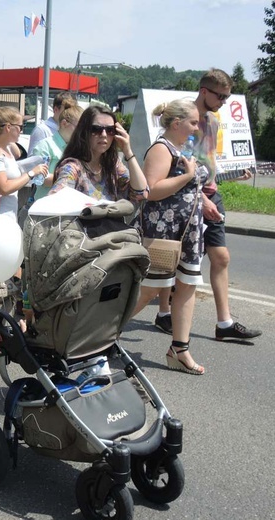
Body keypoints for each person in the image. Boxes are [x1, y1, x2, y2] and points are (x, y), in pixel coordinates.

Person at [153, 69, 261, 341]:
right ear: (204, 91)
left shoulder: (213, 120)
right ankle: (164, 313)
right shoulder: (186, 120)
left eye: (227, 96)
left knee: (221, 257)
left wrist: (231, 175)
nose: (224, 101)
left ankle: (224, 323)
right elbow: (180, 169)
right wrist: (200, 199)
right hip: (189, 197)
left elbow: (208, 160)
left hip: (211, 192)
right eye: (220, 96)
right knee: (174, 259)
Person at [130, 99, 208, 375]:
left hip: (186, 232)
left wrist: (203, 200)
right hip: (163, 232)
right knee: (150, 288)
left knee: (187, 286)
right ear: (177, 123)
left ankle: (180, 348)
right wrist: (187, 176)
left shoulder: (179, 148)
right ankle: (103, 332)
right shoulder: (161, 149)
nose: (197, 128)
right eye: (193, 122)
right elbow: (151, 190)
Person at [50, 105, 149, 203]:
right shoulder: (73, 167)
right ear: (84, 132)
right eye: (96, 129)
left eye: (110, 130)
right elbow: (55, 200)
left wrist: (128, 152)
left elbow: (141, 193)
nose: (104, 135)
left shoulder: (113, 164)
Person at [0, 106, 48, 222]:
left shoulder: (6, 148)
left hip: (9, 214)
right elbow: (4, 188)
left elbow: (17, 153)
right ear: (8, 127)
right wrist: (31, 173)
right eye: (20, 127)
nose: (21, 131)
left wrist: (10, 135)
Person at [29, 104, 83, 200]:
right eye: (79, 126)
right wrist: (70, 177)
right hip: (48, 205)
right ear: (64, 123)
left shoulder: (79, 148)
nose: (82, 131)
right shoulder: (45, 145)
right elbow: (40, 179)